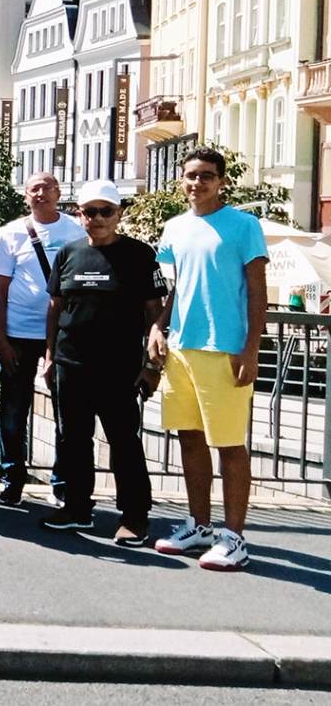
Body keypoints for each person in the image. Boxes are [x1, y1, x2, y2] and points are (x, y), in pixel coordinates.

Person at [148, 149, 268, 570]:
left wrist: (251, 348)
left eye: (206, 176)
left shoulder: (244, 226)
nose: (197, 183)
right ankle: (200, 526)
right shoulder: (175, 227)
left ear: (221, 182)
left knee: (230, 444)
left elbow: (258, 291)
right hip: (182, 348)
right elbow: (180, 287)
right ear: (182, 180)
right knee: (190, 439)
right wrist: (159, 325)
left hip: (226, 349)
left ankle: (234, 538)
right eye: (191, 176)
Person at [39, 180, 165, 544]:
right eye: (89, 211)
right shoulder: (68, 253)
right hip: (71, 364)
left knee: (123, 442)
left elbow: (154, 312)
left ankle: (135, 516)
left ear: (119, 213)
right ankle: (77, 508)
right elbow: (55, 308)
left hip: (119, 368)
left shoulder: (140, 254)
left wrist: (151, 366)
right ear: (79, 215)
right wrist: (50, 356)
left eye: (105, 211)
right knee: (73, 440)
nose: (97, 218)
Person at [0, 172, 86, 505]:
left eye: (47, 187)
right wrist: (1, 339)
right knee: (13, 409)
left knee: (66, 411)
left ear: (59, 192)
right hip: (19, 334)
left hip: (63, 335)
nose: (41, 193)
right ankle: (12, 479)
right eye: (34, 189)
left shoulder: (76, 230)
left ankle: (61, 483)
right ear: (25, 196)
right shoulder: (11, 233)